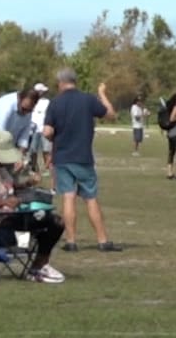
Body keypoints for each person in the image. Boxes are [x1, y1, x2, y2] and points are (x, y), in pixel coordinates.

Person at [0, 129, 64, 283]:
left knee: (54, 221)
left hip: (11, 218)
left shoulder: (0, 169)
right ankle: (39, 266)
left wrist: (26, 183)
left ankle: (40, 265)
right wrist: (5, 202)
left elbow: (9, 186)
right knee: (53, 223)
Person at [42, 68, 119, 254]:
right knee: (90, 198)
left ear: (60, 83)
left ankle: (71, 241)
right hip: (83, 157)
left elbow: (47, 132)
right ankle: (102, 240)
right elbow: (111, 115)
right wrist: (102, 93)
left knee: (68, 197)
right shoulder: (88, 99)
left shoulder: (55, 103)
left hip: (62, 158)